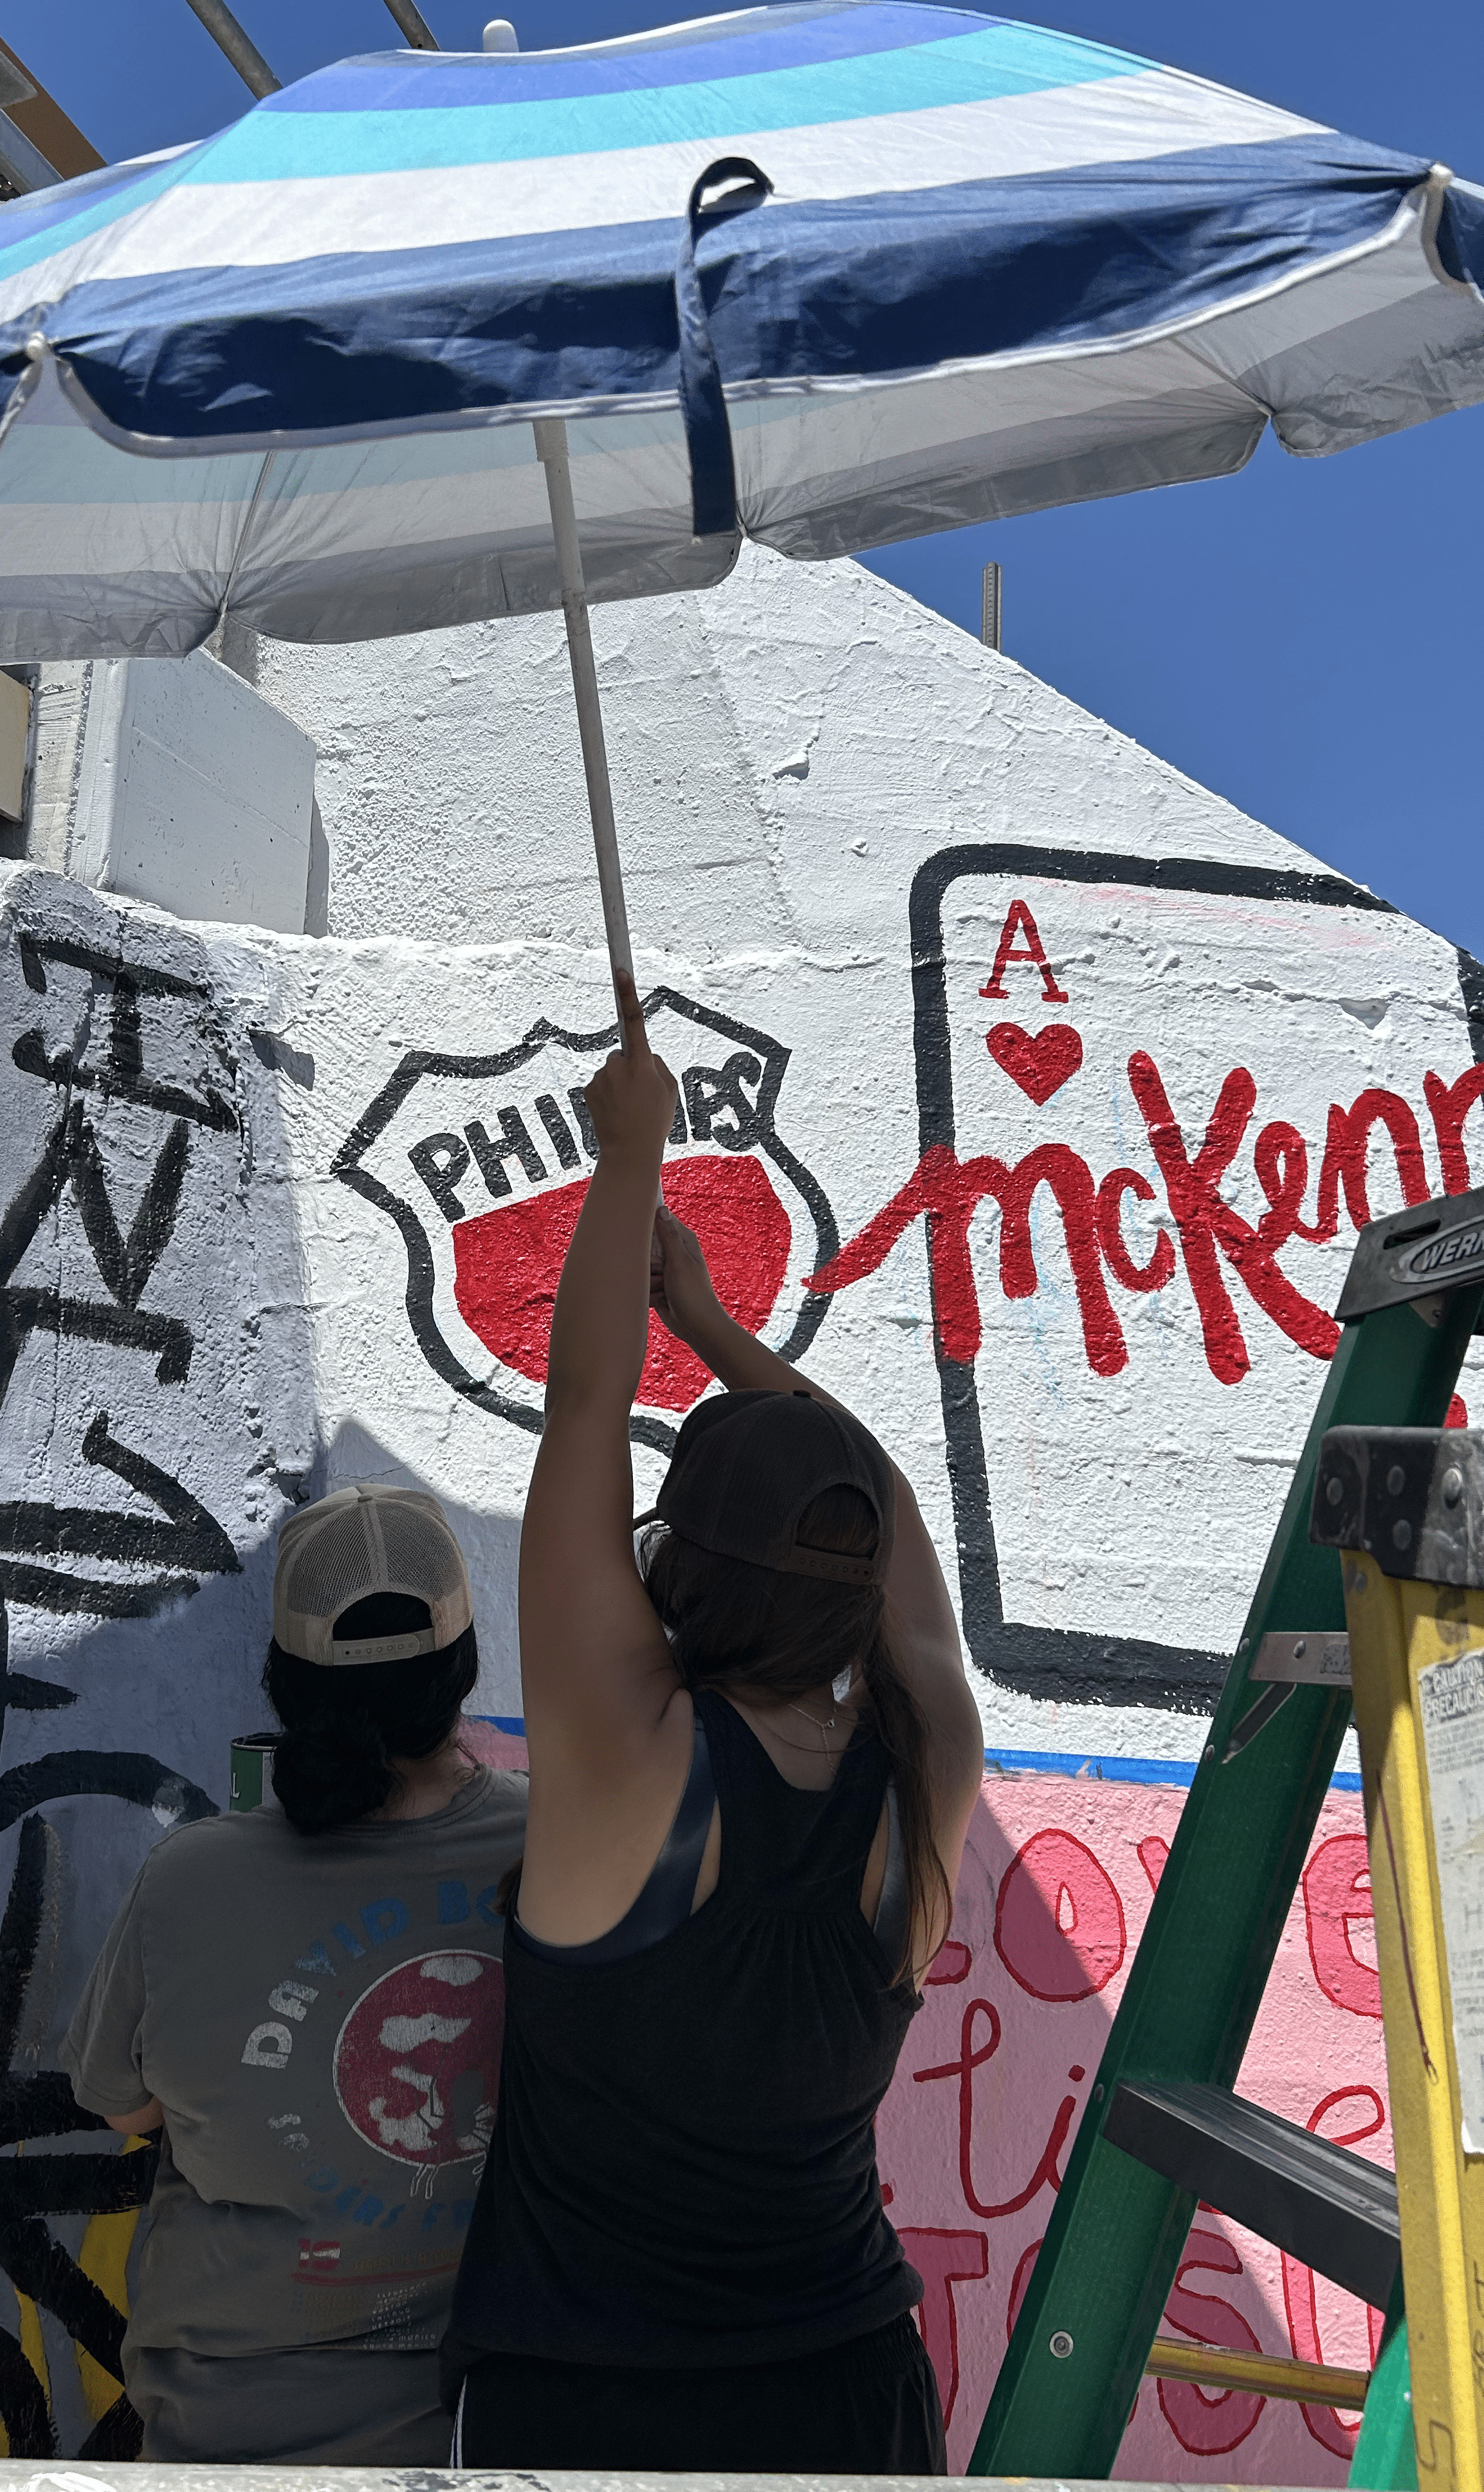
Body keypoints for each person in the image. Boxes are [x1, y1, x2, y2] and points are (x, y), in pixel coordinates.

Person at [443, 972, 986, 2472]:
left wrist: (627, 1163)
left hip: (592, 2408)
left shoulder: (633, 1754)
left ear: (678, 1559)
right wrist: (721, 1323)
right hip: (850, 2395)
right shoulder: (926, 1761)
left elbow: (581, 1412)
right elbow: (896, 1544)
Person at [63, 1482, 526, 2466]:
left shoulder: (191, 1876)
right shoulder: (561, 1849)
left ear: (286, 1681)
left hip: (223, 2440)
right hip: (479, 2433)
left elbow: (121, 2108)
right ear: (464, 1667)